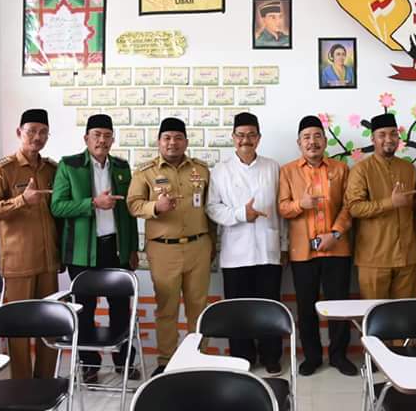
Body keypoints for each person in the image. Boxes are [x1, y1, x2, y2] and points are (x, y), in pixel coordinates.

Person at [51, 114, 139, 383]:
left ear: (113, 139)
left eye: (107, 135)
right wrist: (92, 203)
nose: (102, 140)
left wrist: (133, 248)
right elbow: (57, 206)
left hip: (115, 248)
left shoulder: (122, 167)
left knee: (121, 308)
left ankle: (124, 362)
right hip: (82, 251)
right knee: (84, 309)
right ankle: (88, 363)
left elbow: (129, 212)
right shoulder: (69, 165)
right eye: (97, 135)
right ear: (86, 138)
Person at [127, 118, 213, 376]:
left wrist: (213, 244)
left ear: (185, 141)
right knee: (167, 308)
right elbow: (133, 204)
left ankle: (198, 358)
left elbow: (211, 208)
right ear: (159, 142)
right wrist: (156, 207)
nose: (172, 142)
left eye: (178, 138)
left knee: (198, 307)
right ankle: (166, 361)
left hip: (199, 246)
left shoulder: (202, 170)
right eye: (167, 138)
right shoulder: (145, 172)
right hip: (163, 250)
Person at [206, 112, 286, 376]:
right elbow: (212, 208)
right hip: (235, 253)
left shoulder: (273, 167)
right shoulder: (220, 170)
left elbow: (281, 210)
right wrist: (241, 214)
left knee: (269, 307)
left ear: (259, 138)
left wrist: (284, 246)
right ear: (233, 138)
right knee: (237, 311)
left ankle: (271, 356)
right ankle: (243, 357)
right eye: (240, 135)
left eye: (251, 135)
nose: (246, 140)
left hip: (268, 251)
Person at [0, 109, 59, 380]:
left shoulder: (52, 169)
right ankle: (22, 385)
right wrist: (22, 200)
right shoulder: (3, 169)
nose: (37, 137)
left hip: (49, 262)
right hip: (19, 263)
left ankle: (46, 384)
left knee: (50, 325)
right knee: (19, 329)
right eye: (31, 131)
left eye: (43, 132)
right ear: (19, 132)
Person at [278, 115, 356, 377]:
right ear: (299, 143)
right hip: (303, 252)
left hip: (337, 248)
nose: (312, 142)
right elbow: (282, 208)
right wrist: (300, 204)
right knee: (306, 306)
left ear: (324, 140)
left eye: (317, 136)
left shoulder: (341, 169)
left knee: (338, 305)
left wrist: (336, 233)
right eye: (307, 137)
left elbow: (349, 206)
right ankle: (311, 357)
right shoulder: (288, 171)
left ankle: (339, 355)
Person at [345, 113, 416, 300]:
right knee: (375, 313)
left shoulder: (408, 168)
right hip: (374, 259)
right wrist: (390, 203)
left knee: (405, 313)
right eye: (382, 134)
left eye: (393, 134)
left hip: (408, 257)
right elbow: (354, 208)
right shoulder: (361, 170)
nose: (389, 139)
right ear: (373, 139)